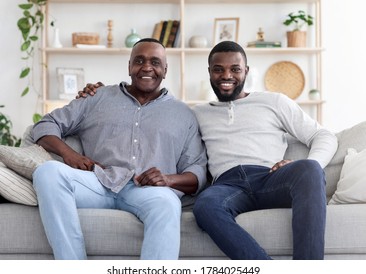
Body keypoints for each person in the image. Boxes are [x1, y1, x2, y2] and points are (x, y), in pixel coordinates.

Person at [79, 41, 338, 260]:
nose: (227, 76)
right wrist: (101, 93)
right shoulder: (195, 114)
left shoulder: (274, 102)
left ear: (246, 71)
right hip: (227, 185)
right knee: (205, 207)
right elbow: (152, 114)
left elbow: (322, 135)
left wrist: (306, 162)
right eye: (218, 69)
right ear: (209, 73)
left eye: (235, 69)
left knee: (309, 169)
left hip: (269, 177)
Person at [31, 38, 207, 260]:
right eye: (139, 61)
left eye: (155, 62)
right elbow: (45, 125)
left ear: (165, 69)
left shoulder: (184, 115)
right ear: (129, 66)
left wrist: (168, 179)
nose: (146, 67)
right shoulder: (97, 97)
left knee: (167, 204)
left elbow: (197, 171)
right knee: (47, 172)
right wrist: (70, 155)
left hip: (147, 192)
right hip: (98, 182)